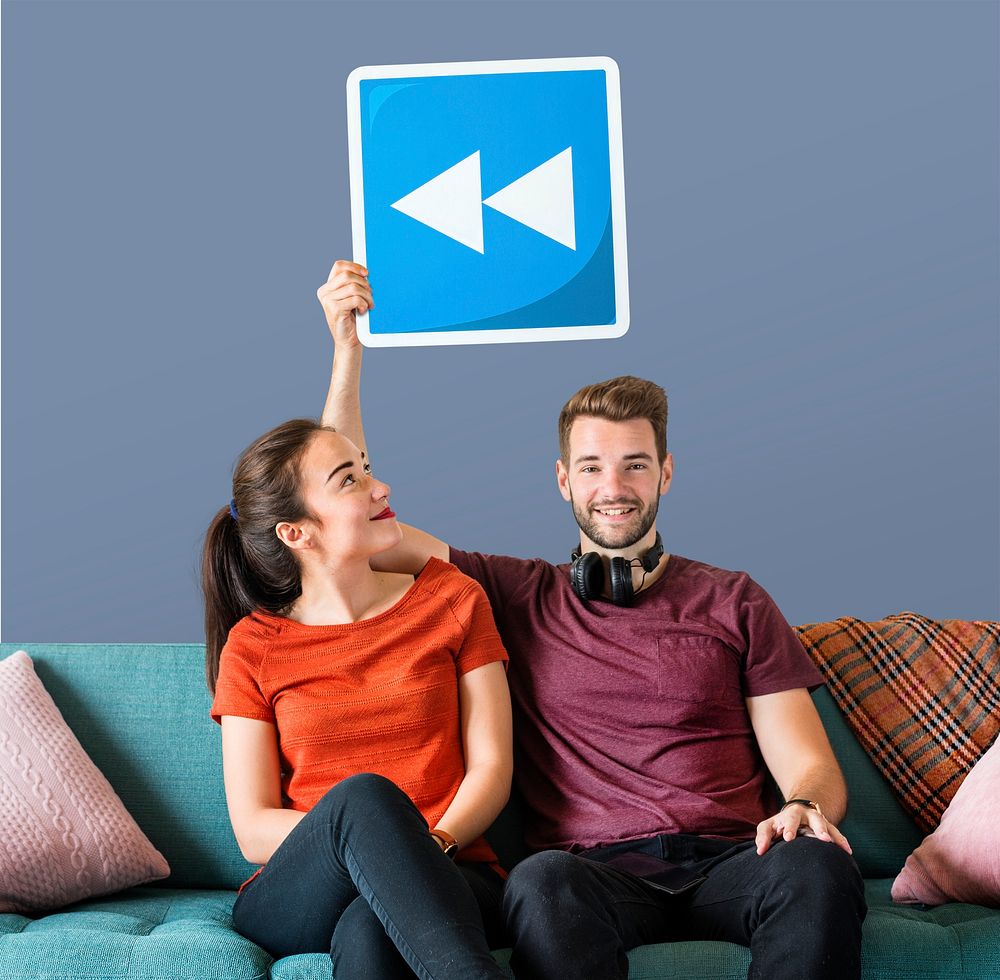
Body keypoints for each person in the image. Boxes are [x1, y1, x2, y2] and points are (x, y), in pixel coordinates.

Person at [320, 259, 868, 980]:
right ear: (561, 479)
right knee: (540, 881)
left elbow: (810, 764)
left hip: (736, 859)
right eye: (591, 468)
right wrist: (347, 352)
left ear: (667, 473)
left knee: (819, 867)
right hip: (589, 874)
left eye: (635, 465)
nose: (614, 488)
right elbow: (349, 517)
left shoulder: (735, 599)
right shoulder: (513, 593)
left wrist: (804, 806)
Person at [200, 267, 513, 980]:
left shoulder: (450, 598)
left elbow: (492, 767)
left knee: (373, 929)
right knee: (364, 800)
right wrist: (371, 837)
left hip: (456, 865)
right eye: (353, 481)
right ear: (295, 534)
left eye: (368, 469)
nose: (381, 488)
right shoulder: (254, 647)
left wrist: (416, 849)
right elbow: (253, 830)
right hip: (298, 888)